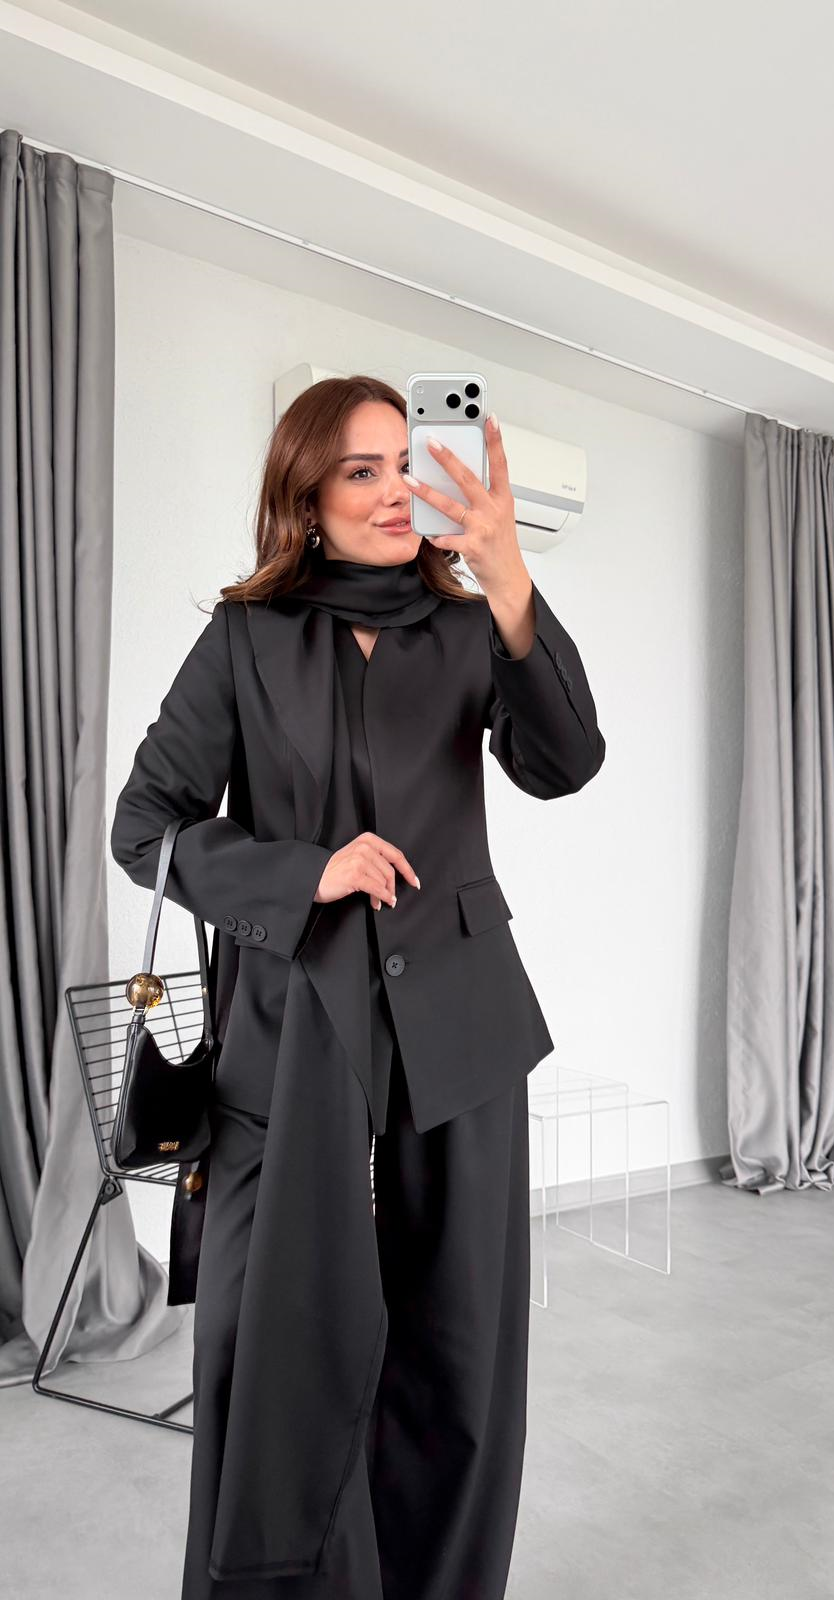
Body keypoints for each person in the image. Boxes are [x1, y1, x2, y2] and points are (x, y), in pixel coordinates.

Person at [110, 374, 606, 1599]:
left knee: (458, 1357)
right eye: (361, 469)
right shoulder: (246, 637)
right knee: (276, 1353)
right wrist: (305, 872)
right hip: (291, 1042)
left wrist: (508, 577)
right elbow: (145, 824)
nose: (394, 491)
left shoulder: (471, 627)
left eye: (407, 463)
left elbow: (566, 761)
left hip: (463, 1036)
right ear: (306, 496)